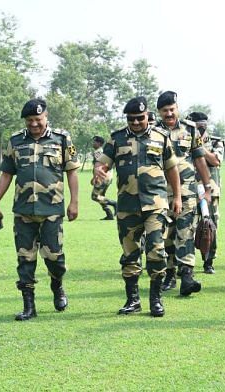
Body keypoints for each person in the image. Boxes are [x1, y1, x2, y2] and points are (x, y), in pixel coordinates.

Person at [0, 98, 80, 321]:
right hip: (23, 210)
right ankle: (29, 306)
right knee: (25, 259)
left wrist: (74, 201)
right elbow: (7, 174)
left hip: (52, 210)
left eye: (38, 119)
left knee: (54, 257)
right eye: (29, 120)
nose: (34, 124)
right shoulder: (16, 141)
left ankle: (57, 286)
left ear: (46, 117)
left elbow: (72, 171)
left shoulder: (62, 139)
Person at [94, 96, 181, 317]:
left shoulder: (161, 138)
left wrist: (177, 197)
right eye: (131, 119)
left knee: (156, 251)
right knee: (130, 254)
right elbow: (103, 162)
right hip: (127, 206)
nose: (135, 123)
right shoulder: (117, 139)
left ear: (147, 116)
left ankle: (156, 299)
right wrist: (99, 170)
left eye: (139, 118)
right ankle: (133, 300)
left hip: (155, 205)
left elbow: (172, 169)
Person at [156, 91, 213, 296]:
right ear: (159, 112)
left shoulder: (190, 129)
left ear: (177, 108)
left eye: (172, 109)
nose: (169, 114)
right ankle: (170, 274)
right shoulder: (152, 132)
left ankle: (187, 276)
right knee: (167, 235)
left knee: (186, 232)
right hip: (160, 193)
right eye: (165, 111)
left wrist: (207, 188)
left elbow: (199, 159)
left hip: (188, 191)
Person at [188, 111, 224, 273]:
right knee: (187, 226)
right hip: (189, 189)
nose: (201, 128)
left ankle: (209, 261)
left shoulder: (216, 142)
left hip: (210, 191)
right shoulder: (183, 141)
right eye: (197, 126)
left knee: (211, 226)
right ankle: (185, 264)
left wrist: (198, 146)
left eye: (202, 126)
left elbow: (215, 161)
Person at [90, 135, 117, 220]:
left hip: (102, 177)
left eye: (94, 142)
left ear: (99, 143)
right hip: (108, 176)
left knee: (95, 196)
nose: (93, 143)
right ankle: (109, 214)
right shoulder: (103, 151)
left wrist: (96, 177)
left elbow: (100, 166)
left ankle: (114, 204)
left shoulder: (98, 152)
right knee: (101, 196)